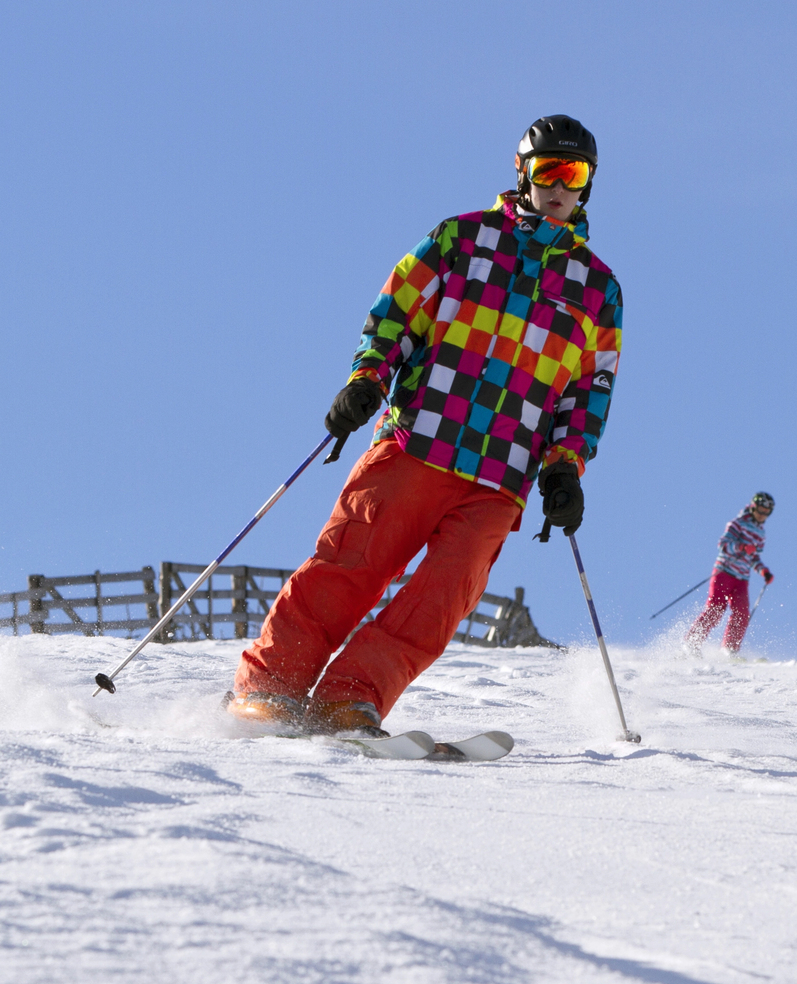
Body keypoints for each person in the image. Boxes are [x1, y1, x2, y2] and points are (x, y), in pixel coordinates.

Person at [227, 115, 622, 732]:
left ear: (587, 187)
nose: (558, 186)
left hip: (502, 476)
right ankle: (272, 685)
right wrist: (367, 380)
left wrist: (566, 468)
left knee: (439, 602)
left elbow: (588, 393)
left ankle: (348, 697)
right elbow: (395, 316)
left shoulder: (598, 289)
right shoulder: (460, 239)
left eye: (573, 175)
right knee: (351, 565)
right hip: (421, 439)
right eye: (548, 170)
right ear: (523, 173)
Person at [685, 492, 774, 656]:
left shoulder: (761, 534)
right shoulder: (737, 524)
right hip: (724, 572)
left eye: (766, 513)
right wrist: (741, 547)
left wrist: (763, 571)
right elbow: (723, 545)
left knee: (742, 613)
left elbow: (753, 557)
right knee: (716, 608)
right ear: (753, 508)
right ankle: (692, 642)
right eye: (760, 511)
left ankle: (730, 649)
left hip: (742, 579)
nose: (762, 515)